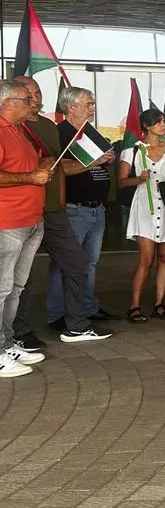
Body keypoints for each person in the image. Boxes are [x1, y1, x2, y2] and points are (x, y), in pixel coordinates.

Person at [48, 86, 119, 341]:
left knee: (89, 263)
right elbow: (60, 168)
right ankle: (58, 313)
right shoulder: (60, 134)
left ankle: (86, 308)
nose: (93, 107)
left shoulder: (89, 132)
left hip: (96, 208)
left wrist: (108, 158)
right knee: (65, 263)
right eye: (88, 103)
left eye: (93, 103)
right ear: (71, 107)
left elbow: (100, 159)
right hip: (74, 208)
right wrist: (96, 161)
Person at [118, 108, 165, 324]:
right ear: (147, 126)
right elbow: (121, 181)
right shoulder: (132, 152)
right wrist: (139, 179)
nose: (162, 126)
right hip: (144, 207)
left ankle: (159, 303)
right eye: (158, 122)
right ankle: (134, 305)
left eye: (164, 122)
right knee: (146, 260)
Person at [0, 80, 50, 377]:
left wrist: (41, 165)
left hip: (31, 221)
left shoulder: (21, 131)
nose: (33, 103)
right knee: (2, 288)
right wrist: (31, 177)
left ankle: (6, 342)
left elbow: (33, 164)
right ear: (8, 102)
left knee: (15, 288)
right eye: (26, 99)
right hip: (8, 222)